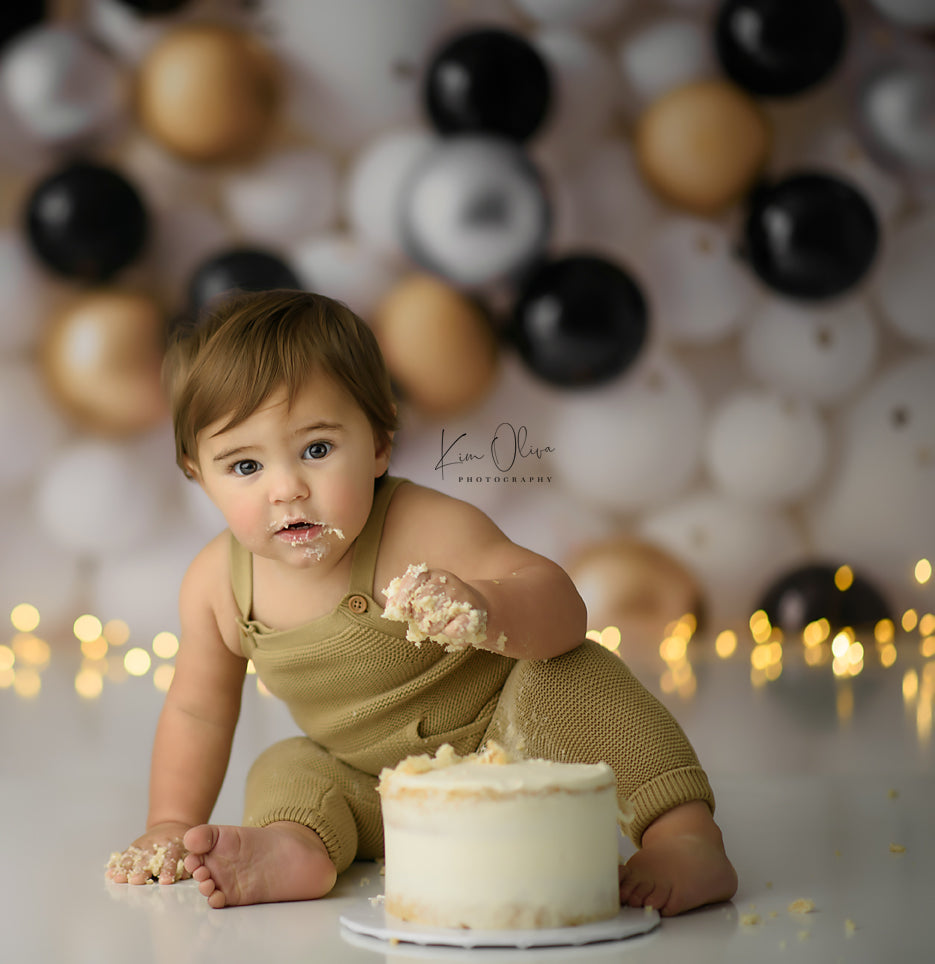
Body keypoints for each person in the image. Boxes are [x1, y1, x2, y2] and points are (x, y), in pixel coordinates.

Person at [106, 290, 737, 915]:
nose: (287, 488)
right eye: (245, 466)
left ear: (379, 442)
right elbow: (197, 712)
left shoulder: (420, 528)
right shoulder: (218, 584)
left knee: (571, 676)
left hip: (517, 752)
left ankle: (682, 834)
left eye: (317, 450)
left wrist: (484, 608)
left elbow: (564, 608)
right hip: (380, 795)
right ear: (196, 471)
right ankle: (297, 847)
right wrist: (169, 821)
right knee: (288, 764)